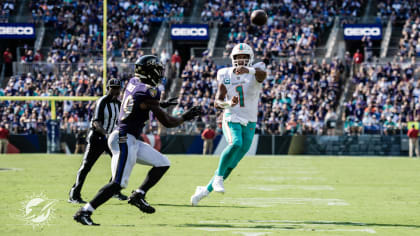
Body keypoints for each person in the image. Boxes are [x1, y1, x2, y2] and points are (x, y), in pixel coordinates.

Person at [73, 55, 202, 225]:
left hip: (129, 138)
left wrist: (159, 104)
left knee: (163, 163)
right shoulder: (149, 91)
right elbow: (167, 122)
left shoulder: (134, 82)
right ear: (150, 72)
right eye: (158, 70)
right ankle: (84, 211)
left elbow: (141, 102)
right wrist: (185, 116)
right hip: (124, 138)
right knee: (118, 184)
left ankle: (139, 195)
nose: (160, 74)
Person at [190, 43, 267, 206]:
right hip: (232, 116)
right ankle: (218, 178)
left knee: (233, 163)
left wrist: (249, 70)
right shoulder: (224, 73)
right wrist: (228, 104)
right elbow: (217, 102)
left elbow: (262, 76)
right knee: (236, 143)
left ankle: (204, 191)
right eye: (238, 57)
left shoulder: (257, 69)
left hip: (250, 120)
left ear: (250, 59)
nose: (241, 60)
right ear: (233, 58)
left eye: (244, 57)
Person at [68, 78, 127, 204]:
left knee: (120, 164)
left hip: (110, 139)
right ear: (108, 88)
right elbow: (96, 122)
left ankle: (114, 191)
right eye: (113, 88)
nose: (115, 91)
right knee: (86, 166)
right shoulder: (102, 102)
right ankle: (74, 194)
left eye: (117, 88)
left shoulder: (118, 104)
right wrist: (107, 134)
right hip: (97, 138)